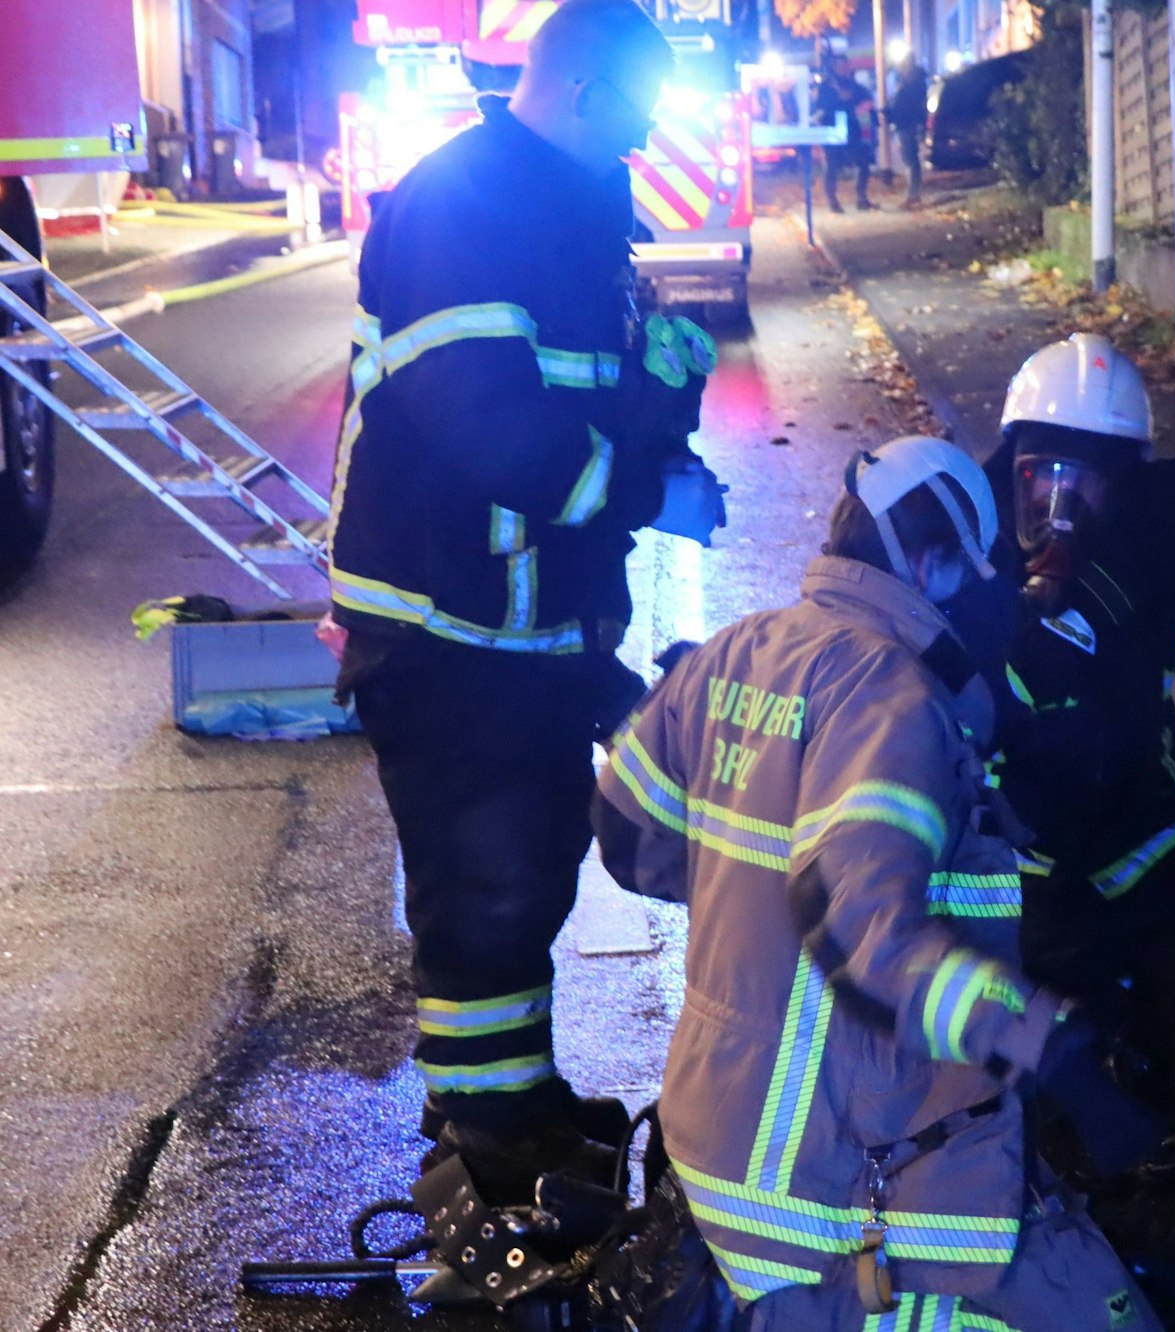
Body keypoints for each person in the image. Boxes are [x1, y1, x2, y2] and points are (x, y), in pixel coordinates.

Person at [592, 436, 1165, 1330]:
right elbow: (863, 935)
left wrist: (746, 903)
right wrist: (1055, 1052)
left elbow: (628, 837)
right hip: (839, 1180)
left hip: (721, 1132)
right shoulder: (888, 692)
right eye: (979, 577)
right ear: (933, 565)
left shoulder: (735, 649)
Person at [326, 0, 727, 1201]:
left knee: (531, 868)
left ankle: (509, 1100)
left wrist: (662, 419)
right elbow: (483, 422)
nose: (647, 139)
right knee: (485, 886)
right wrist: (646, 495)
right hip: (448, 623)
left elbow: (588, 398)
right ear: (587, 92)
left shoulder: (562, 209)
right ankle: (491, 1155)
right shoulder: (464, 206)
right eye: (641, 112)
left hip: (525, 622)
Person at [985, 333, 1175, 1093]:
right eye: (1038, 475)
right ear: (1010, 469)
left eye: (1079, 481)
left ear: (1122, 487)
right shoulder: (971, 557)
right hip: (1012, 869)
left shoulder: (1147, 563)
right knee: (1045, 1053)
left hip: (1140, 845)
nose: (1053, 503)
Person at [816, 57, 875, 213]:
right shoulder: (827, 87)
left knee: (863, 163)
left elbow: (866, 101)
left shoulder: (854, 86)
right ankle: (832, 200)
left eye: (846, 65)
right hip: (832, 131)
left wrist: (867, 107)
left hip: (853, 130)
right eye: (841, 66)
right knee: (831, 165)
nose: (845, 68)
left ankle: (862, 198)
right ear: (835, 67)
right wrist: (838, 100)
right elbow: (821, 108)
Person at [887, 52, 929, 207]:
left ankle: (913, 195)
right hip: (906, 123)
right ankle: (913, 194)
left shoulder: (912, 83)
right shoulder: (914, 81)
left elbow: (907, 105)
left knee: (910, 159)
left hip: (906, 124)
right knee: (911, 159)